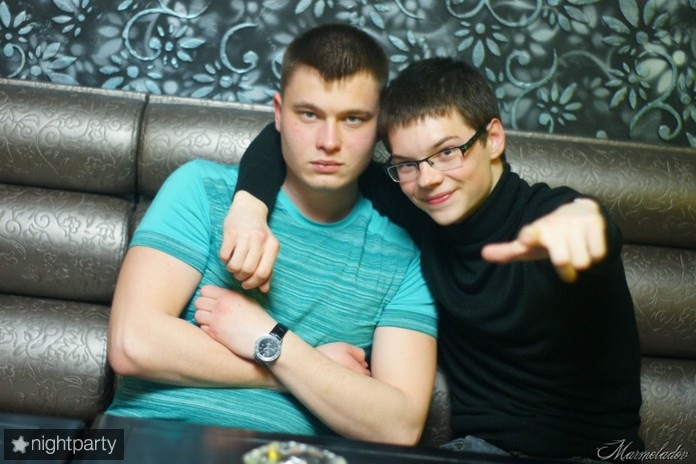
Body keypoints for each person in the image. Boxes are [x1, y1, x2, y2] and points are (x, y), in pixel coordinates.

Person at [221, 57, 645, 460]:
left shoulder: (549, 219)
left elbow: (589, 225)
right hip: (477, 450)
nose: (428, 178)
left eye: (447, 152)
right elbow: (283, 138)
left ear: (493, 139)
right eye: (407, 163)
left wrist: (586, 223)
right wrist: (249, 209)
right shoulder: (422, 212)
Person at [105, 23, 439, 446]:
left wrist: (267, 337)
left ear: (379, 126)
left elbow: (399, 425)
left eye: (353, 119)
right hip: (142, 440)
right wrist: (288, 361)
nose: (329, 141)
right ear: (279, 113)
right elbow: (132, 343)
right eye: (309, 114)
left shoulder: (404, 255)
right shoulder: (201, 189)